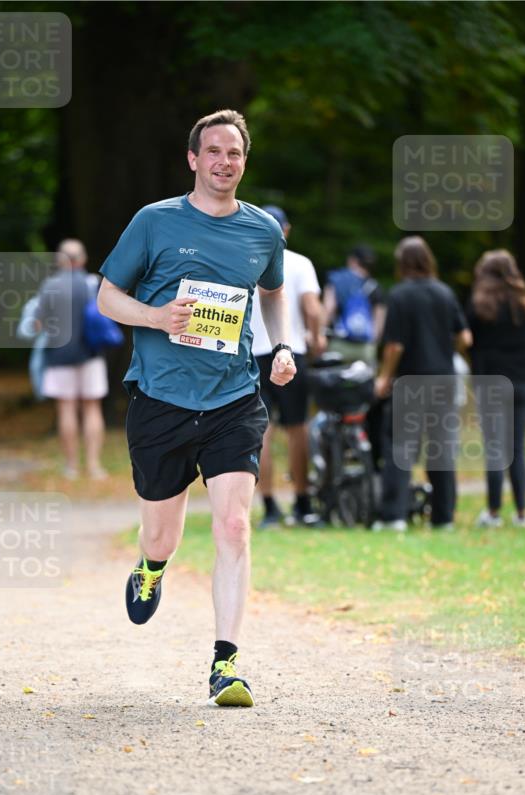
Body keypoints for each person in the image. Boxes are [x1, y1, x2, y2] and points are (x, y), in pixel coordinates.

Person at [97, 109, 296, 708]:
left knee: (235, 526)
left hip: (234, 398)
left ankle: (226, 665)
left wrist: (281, 345)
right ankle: (151, 565)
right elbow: (108, 296)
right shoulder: (155, 222)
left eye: (233, 153)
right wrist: (156, 317)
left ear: (244, 161)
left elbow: (274, 290)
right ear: (193, 159)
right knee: (163, 533)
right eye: (212, 151)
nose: (223, 162)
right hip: (161, 398)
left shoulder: (263, 231)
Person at [373, 236, 472, 531]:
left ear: (402, 264)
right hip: (443, 381)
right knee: (441, 449)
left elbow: (395, 347)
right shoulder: (444, 293)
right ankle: (443, 517)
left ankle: (394, 516)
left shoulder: (401, 295)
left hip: (410, 382)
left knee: (400, 449)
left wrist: (384, 377)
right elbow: (465, 337)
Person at [250, 205, 326, 528]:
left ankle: (268, 506)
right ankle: (302, 501)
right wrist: (318, 338)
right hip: (288, 350)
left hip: (252, 353)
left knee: (261, 432)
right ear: (287, 229)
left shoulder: (247, 261)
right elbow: (313, 307)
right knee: (298, 429)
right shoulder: (299, 263)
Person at [467, 250, 525, 528]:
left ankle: (494, 512)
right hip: (523, 381)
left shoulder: (478, 307)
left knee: (495, 449)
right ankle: (521, 513)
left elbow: (467, 340)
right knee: (517, 449)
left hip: (491, 382)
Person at [35, 240, 109, 480]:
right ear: (83, 259)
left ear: (60, 260)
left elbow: (39, 323)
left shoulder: (49, 286)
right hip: (91, 354)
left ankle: (71, 467)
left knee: (66, 409)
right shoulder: (92, 284)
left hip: (59, 355)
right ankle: (94, 465)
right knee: (92, 408)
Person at [322, 245, 386, 365]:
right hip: (365, 348)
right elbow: (379, 324)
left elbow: (328, 309)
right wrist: (373, 344)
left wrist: (319, 336)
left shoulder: (336, 280)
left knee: (336, 381)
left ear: (352, 260)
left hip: (340, 344)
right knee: (364, 382)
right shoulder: (376, 287)